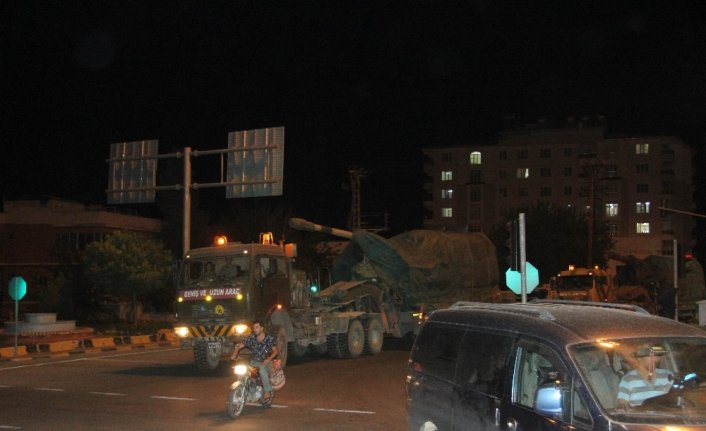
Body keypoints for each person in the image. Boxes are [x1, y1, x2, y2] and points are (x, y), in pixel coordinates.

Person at [230, 320, 279, 401]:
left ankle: (267, 391)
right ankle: (243, 388)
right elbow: (240, 346)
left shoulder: (269, 338)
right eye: (254, 328)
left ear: (262, 328)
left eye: (257, 327)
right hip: (254, 361)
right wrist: (234, 353)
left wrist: (268, 359)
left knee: (262, 369)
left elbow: (276, 351)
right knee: (242, 368)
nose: (255, 329)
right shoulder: (251, 337)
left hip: (266, 362)